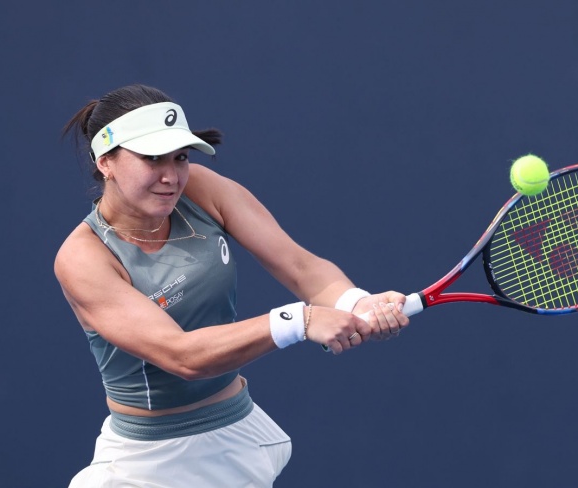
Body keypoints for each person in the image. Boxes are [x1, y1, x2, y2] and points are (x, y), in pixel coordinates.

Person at [55, 84, 410, 487]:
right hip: (145, 463)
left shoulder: (200, 189)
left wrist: (355, 302)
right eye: (152, 158)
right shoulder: (83, 258)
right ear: (105, 161)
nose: (171, 177)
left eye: (180, 157)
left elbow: (299, 265)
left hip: (235, 437)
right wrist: (300, 320)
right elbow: (182, 356)